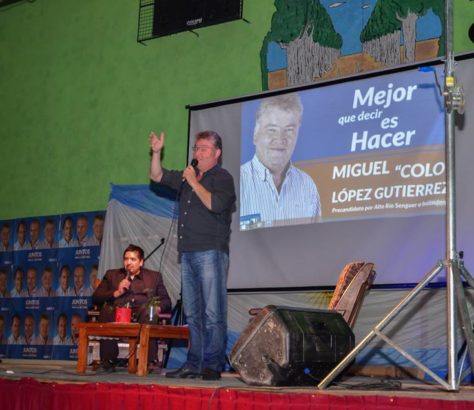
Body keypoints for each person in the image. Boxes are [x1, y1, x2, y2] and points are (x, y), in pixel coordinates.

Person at [149, 130, 236, 380]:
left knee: (213, 313)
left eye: (203, 149)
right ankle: (194, 362)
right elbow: (156, 175)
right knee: (193, 314)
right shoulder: (188, 176)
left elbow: (215, 204)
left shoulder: (222, 178)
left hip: (210, 252)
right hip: (187, 253)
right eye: (196, 148)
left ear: (217, 153)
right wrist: (156, 152)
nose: (198, 153)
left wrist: (195, 183)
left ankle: (212, 364)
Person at [240, 94, 321, 228]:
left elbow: (317, 237)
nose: (280, 139)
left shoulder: (308, 186)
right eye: (272, 130)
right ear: (255, 134)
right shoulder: (237, 183)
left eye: (289, 130)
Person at [92, 244, 172, 370]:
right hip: (118, 311)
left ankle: (149, 359)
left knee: (148, 310)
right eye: (126, 259)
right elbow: (96, 297)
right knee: (107, 309)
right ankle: (108, 358)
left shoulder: (154, 277)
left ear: (141, 262)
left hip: (141, 312)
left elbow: (166, 301)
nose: (128, 262)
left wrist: (157, 308)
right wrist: (117, 292)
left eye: (133, 259)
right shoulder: (112, 275)